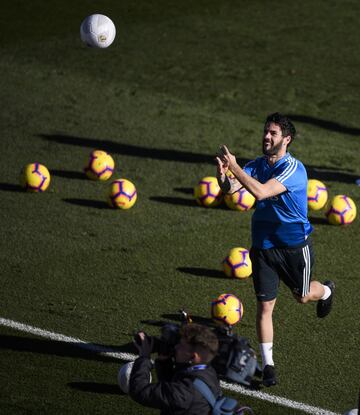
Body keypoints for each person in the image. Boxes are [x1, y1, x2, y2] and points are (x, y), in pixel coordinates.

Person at [216, 112, 335, 387]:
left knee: (302, 297)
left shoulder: (293, 169)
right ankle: (268, 365)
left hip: (294, 248)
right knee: (264, 306)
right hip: (263, 247)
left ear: (286, 139)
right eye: (265, 131)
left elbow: (259, 192)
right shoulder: (258, 164)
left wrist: (235, 167)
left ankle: (326, 290)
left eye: (273, 133)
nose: (266, 137)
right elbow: (231, 190)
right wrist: (224, 176)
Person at [129, 323, 222, 414]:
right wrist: (164, 362)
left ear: (193, 357)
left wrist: (144, 357)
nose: (176, 347)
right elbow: (174, 383)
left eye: (181, 345)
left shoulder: (184, 393)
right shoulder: (209, 372)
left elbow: (139, 390)